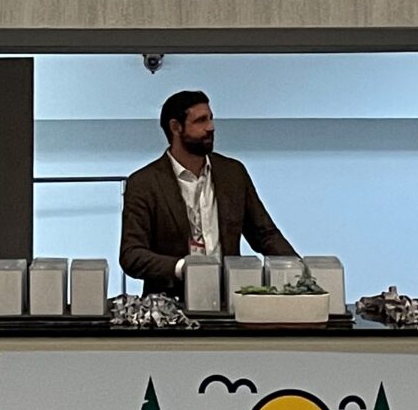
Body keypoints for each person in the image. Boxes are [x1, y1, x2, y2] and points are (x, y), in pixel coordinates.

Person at [119, 89, 295, 296]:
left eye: (211, 118)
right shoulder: (144, 183)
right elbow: (132, 255)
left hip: (229, 299)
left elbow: (264, 234)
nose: (211, 127)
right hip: (170, 306)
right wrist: (183, 268)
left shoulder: (233, 173)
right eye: (201, 121)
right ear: (176, 127)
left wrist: (300, 270)